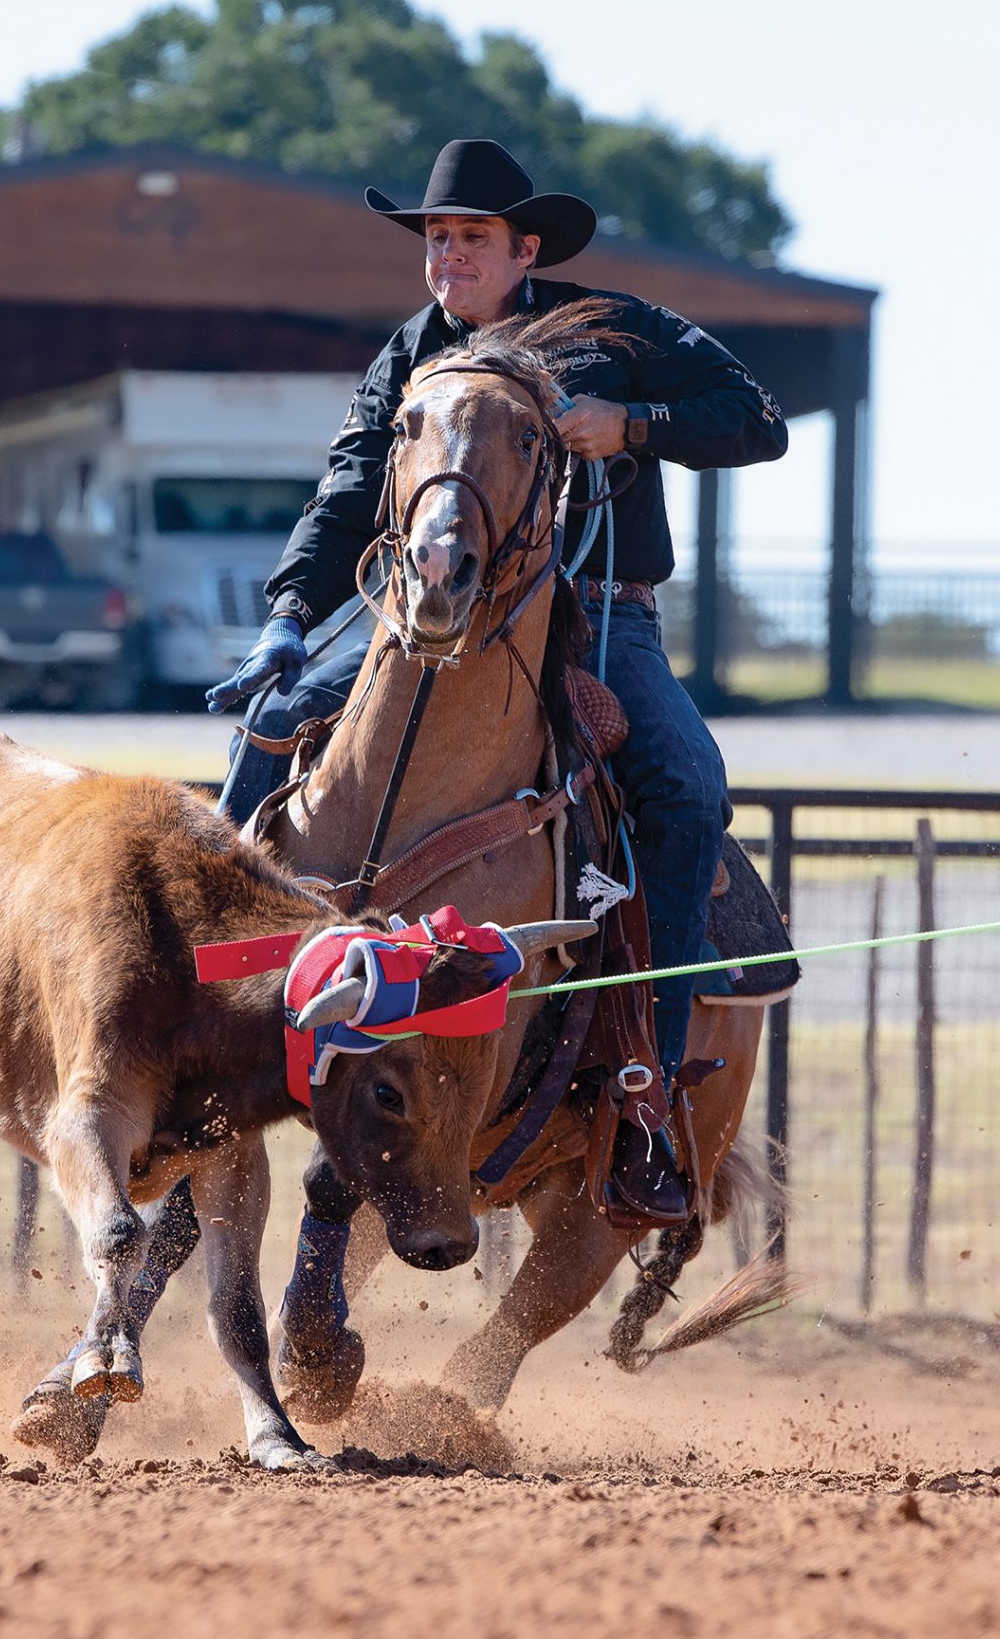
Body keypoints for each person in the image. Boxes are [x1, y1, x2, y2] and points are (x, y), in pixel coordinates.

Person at [210, 139, 786, 1199]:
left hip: (602, 620)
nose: (448, 257)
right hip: (432, 623)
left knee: (684, 780)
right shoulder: (411, 355)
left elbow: (757, 420)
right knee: (276, 717)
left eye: (471, 237)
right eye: (437, 237)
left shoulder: (614, 333)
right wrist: (289, 612)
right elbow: (348, 487)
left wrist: (633, 425)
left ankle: (647, 1079)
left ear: (525, 248)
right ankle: (211, 1002)